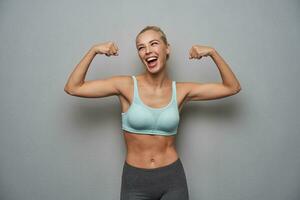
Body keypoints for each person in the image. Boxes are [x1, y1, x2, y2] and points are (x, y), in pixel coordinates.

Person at [64, 26, 241, 200]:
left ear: (167, 49)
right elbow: (73, 87)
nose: (147, 51)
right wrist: (93, 50)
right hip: (135, 181)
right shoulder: (126, 86)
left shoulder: (180, 91)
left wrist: (212, 52)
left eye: (154, 44)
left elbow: (232, 87)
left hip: (173, 179)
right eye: (141, 47)